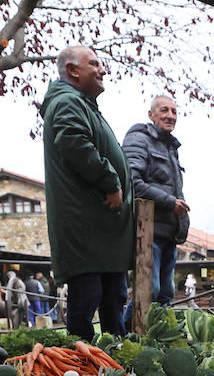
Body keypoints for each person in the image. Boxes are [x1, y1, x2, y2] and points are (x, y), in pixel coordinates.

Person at [42, 44, 132, 339]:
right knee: (87, 302)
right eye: (94, 64)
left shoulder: (80, 103)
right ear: (72, 70)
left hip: (99, 231)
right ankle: (83, 368)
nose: (102, 69)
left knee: (112, 300)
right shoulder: (68, 102)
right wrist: (111, 181)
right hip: (86, 229)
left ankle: (115, 368)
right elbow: (74, 144)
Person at [123, 95, 190, 305]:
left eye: (174, 111)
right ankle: (129, 334)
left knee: (165, 294)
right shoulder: (139, 139)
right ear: (151, 115)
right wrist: (170, 202)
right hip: (148, 231)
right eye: (164, 110)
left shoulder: (171, 149)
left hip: (169, 233)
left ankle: (160, 338)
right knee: (148, 291)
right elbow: (132, 182)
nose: (170, 116)